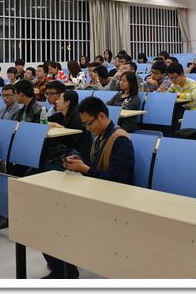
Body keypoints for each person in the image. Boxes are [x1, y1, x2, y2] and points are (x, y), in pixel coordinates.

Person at [43, 97, 134, 279]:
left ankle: (64, 272)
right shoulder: (100, 137)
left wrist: (84, 169)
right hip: (98, 194)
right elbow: (96, 168)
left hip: (114, 201)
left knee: (57, 222)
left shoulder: (120, 140)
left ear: (101, 116)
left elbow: (116, 181)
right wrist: (80, 164)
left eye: (88, 123)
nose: (87, 128)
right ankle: (63, 270)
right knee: (48, 217)